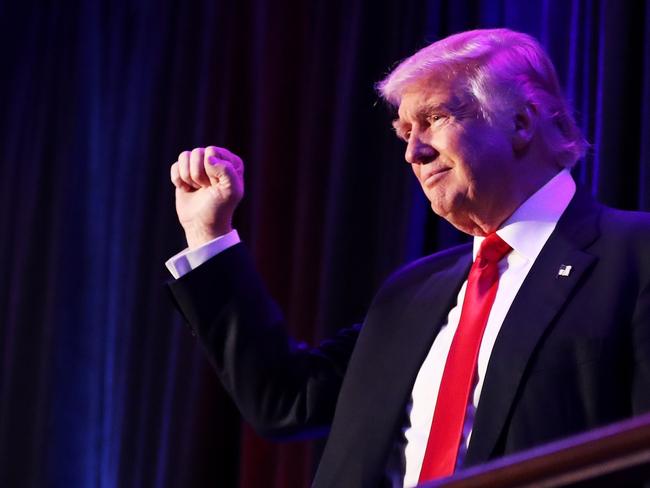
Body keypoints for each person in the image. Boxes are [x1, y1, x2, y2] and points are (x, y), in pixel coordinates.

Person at [166, 28, 650, 487]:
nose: (413, 152)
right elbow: (286, 399)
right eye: (404, 133)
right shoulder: (412, 293)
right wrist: (208, 233)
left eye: (435, 118)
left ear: (521, 122)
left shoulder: (633, 257)